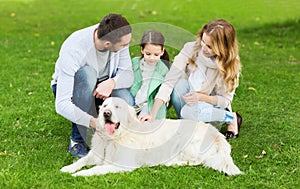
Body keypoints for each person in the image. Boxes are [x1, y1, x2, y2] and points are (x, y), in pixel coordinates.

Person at [139, 19, 242, 140]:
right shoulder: (190, 48)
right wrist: (152, 114)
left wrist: (201, 97)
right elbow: (169, 82)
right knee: (178, 85)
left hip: (210, 107)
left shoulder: (230, 65)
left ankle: (230, 117)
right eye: (203, 41)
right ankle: (187, 125)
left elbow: (225, 101)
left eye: (209, 46)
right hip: (190, 102)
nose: (204, 48)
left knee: (189, 112)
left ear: (222, 48)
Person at [50, 13, 134, 158]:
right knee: (88, 74)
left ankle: (115, 137)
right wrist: (93, 122)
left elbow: (128, 75)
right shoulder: (74, 48)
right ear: (107, 44)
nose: (127, 46)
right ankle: (77, 139)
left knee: (127, 100)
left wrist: (111, 82)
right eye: (124, 45)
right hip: (75, 89)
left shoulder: (117, 35)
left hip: (103, 89)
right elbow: (62, 104)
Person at [130, 30, 170, 119]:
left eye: (156, 54)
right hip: (134, 100)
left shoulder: (163, 69)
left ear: (162, 51)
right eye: (148, 54)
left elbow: (163, 93)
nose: (152, 58)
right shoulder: (135, 63)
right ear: (142, 50)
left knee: (142, 122)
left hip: (148, 104)